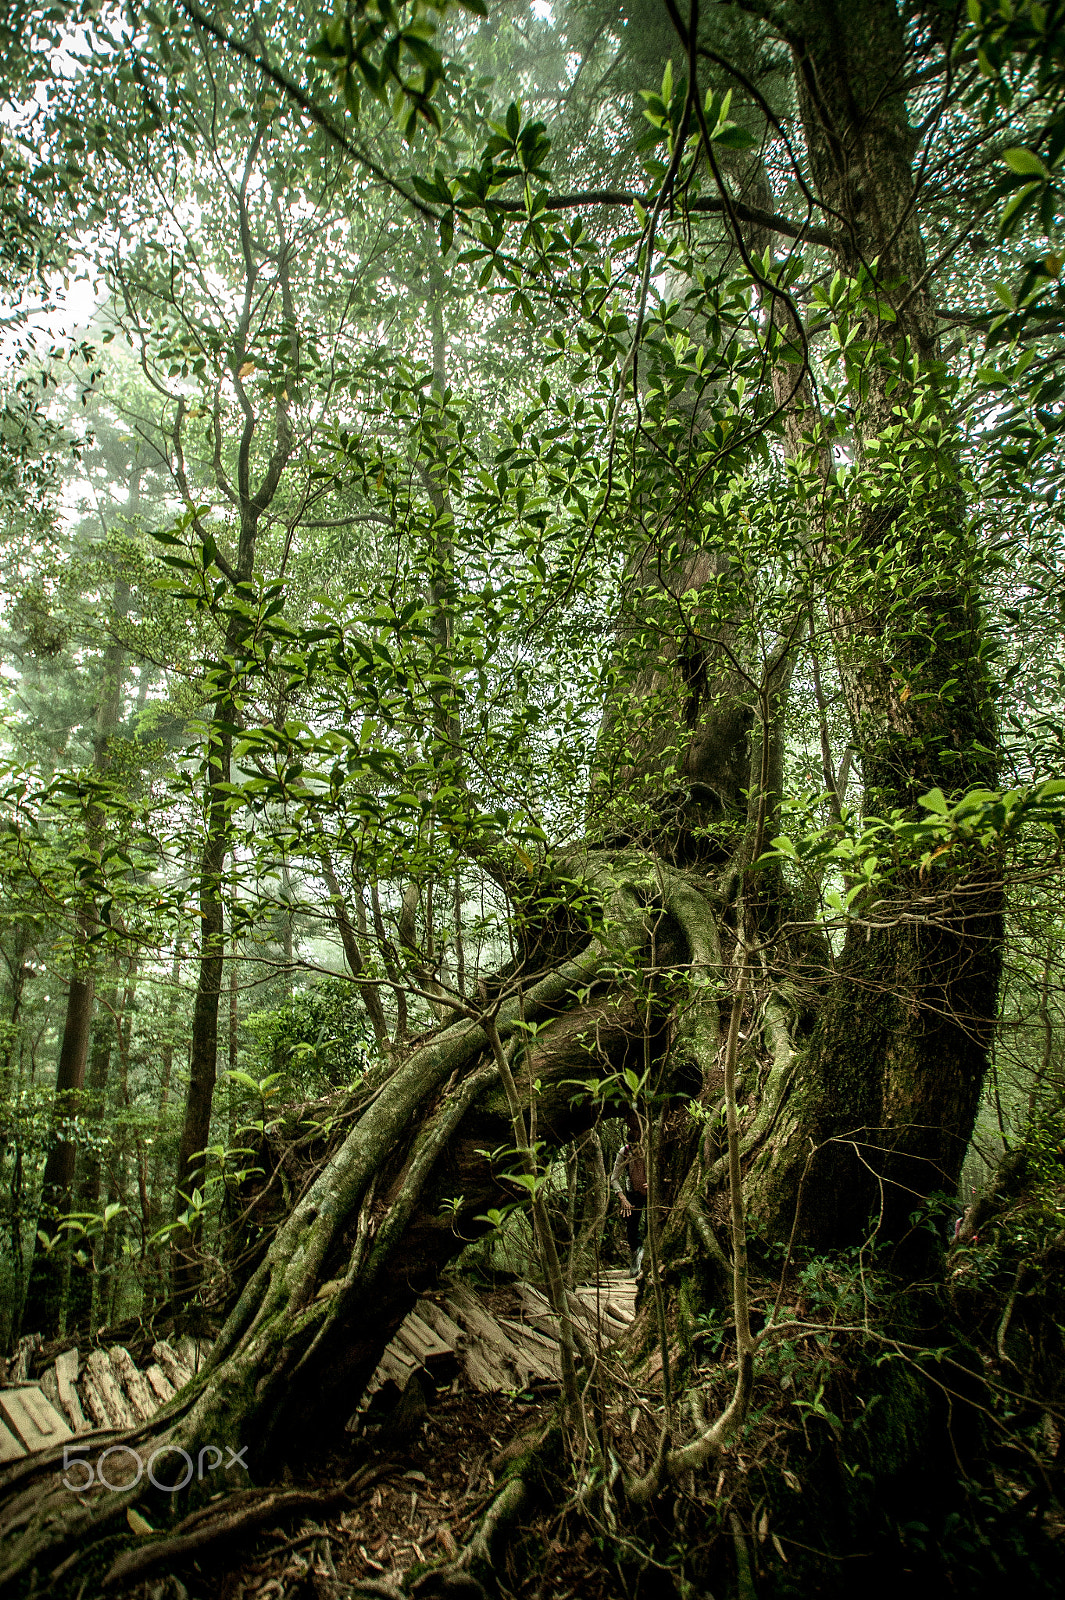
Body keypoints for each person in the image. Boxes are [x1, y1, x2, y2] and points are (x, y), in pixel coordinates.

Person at [610, 1134, 648, 1276]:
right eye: (632, 1147)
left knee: (652, 1225)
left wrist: (652, 1183)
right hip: (633, 1192)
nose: (635, 1151)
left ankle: (649, 1259)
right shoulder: (624, 1152)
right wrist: (621, 1197)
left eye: (637, 1146)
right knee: (631, 1227)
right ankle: (636, 1257)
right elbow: (614, 1178)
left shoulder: (650, 1148)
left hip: (652, 1193)